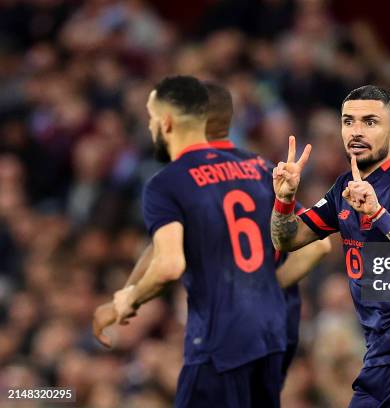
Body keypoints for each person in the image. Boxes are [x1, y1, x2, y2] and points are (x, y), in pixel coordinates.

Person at [95, 76, 329, 408]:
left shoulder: (172, 182)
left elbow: (168, 263)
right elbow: (318, 245)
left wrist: (129, 297)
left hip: (219, 342)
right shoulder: (260, 168)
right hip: (271, 336)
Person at [270, 85, 390, 407]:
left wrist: (378, 214)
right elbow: (288, 239)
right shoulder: (345, 186)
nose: (356, 131)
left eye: (370, 122)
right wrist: (285, 199)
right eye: (348, 121)